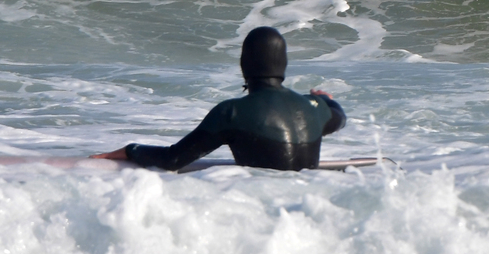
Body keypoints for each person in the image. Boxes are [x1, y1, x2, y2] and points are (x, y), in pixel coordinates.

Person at [92, 27, 346, 172]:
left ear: (244, 64)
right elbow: (340, 117)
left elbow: (173, 160)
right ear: (284, 64)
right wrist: (323, 99)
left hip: (265, 212)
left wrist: (130, 150)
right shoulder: (315, 109)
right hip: (310, 203)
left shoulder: (232, 112)